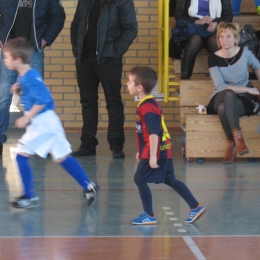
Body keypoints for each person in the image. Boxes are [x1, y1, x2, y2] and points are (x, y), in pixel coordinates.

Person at [3, 37, 99, 209]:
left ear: (17, 59)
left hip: (42, 122)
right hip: (50, 122)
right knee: (61, 157)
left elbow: (43, 100)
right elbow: (35, 93)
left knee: (21, 155)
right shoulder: (28, 74)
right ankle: (88, 186)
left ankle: (30, 197)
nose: (5, 60)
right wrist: (19, 88)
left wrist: (27, 117)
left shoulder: (29, 78)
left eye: (7, 57)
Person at [127, 66, 205, 224]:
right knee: (169, 179)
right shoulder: (146, 103)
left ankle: (149, 214)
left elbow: (155, 133)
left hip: (157, 152)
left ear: (139, 87)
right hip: (160, 150)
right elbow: (145, 132)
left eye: (129, 82)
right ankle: (195, 206)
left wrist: (152, 156)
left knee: (139, 178)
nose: (127, 85)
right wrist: (140, 150)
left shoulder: (147, 107)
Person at [70, 0, 138, 159]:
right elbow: (75, 25)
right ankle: (87, 144)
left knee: (113, 102)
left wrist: (115, 51)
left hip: (109, 60)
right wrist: (76, 50)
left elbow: (131, 28)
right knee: (87, 103)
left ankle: (116, 146)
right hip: (84, 60)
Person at [0, 0, 66, 157]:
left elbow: (58, 16)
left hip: (33, 50)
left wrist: (45, 40)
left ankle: (43, 141)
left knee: (37, 96)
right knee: (3, 96)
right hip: (10, 49)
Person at [207, 22, 260, 164]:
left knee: (223, 108)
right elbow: (221, 86)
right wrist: (249, 89)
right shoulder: (213, 58)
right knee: (228, 94)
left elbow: (257, 67)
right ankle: (239, 139)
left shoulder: (245, 53)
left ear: (236, 38)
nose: (224, 40)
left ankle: (231, 144)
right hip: (220, 94)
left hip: (242, 100)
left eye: (228, 36)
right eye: (221, 37)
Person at [172, 0, 232, 79]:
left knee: (215, 41)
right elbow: (179, 17)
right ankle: (185, 78)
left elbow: (228, 16)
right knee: (195, 40)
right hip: (192, 30)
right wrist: (197, 21)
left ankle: (226, 78)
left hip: (212, 30)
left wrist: (216, 23)